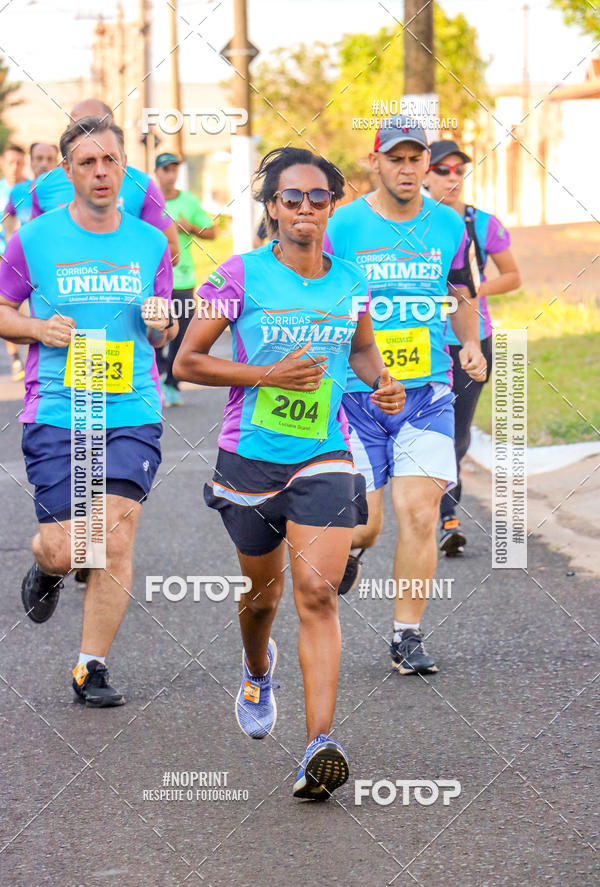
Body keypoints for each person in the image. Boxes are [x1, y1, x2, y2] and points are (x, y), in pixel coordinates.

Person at [173, 147, 405, 799]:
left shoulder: (349, 279)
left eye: (318, 198)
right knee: (263, 600)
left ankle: (318, 746)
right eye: (291, 198)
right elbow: (187, 364)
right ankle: (257, 668)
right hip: (248, 458)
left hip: (323, 453)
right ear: (271, 207)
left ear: (332, 205)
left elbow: (360, 349)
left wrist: (383, 382)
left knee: (317, 593)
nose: (305, 208)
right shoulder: (237, 276)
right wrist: (264, 374)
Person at [0, 116, 176, 706]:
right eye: (87, 163)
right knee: (68, 547)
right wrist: (33, 326)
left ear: (125, 167)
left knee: (116, 537)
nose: (101, 172)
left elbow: (162, 330)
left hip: (129, 407)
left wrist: (160, 328)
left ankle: (90, 666)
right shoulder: (36, 239)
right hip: (58, 407)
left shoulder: (151, 243)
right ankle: (47, 569)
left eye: (110, 161)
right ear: (69, 171)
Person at [325, 118, 487, 675]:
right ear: (375, 162)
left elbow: (461, 291)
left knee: (418, 511)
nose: (408, 168)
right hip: (355, 397)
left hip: (428, 391)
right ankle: (349, 550)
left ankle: (407, 635)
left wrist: (469, 341)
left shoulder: (447, 225)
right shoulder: (342, 225)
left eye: (416, 158)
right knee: (366, 526)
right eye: (396, 158)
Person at [424, 139, 522, 554]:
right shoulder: (411, 224)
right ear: (425, 175)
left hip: (470, 341)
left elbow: (513, 276)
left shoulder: (483, 224)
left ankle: (448, 516)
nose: (452, 176)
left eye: (458, 170)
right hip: (418, 342)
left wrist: (468, 288)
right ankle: (414, 505)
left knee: (455, 435)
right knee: (420, 431)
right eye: (442, 169)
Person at [29, 99, 179, 261]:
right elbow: (30, 247)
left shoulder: (141, 185)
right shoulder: (45, 184)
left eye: (90, 127)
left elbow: (172, 251)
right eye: (73, 128)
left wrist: (116, 264)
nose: (81, 134)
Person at [154, 151, 216, 406]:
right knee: (155, 330)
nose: (170, 174)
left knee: (181, 335)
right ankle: (157, 376)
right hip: (155, 280)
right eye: (165, 169)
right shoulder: (149, 201)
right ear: (156, 173)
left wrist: (189, 227)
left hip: (183, 279)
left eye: (174, 169)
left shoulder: (189, 201)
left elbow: (213, 232)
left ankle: (171, 383)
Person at [0, 144, 29, 380]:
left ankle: (26, 356)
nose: (15, 167)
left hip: (22, 261)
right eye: (11, 162)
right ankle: (14, 357)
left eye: (19, 163)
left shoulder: (28, 190)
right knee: (6, 306)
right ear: (2, 162)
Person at [3, 142, 59, 242]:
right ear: (31, 162)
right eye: (39, 158)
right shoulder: (18, 191)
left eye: (50, 159)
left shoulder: (65, 192)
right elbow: (8, 217)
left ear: (57, 164)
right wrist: (10, 244)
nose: (44, 164)